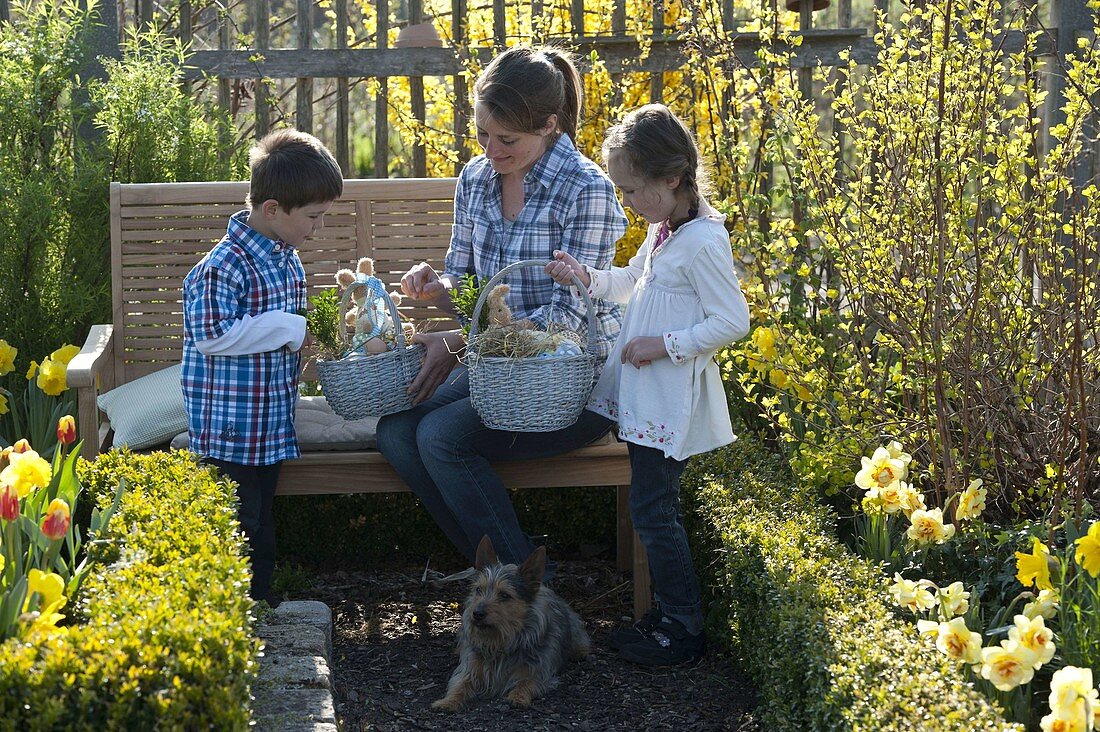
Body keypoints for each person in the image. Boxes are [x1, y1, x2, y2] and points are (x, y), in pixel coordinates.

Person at [376, 45, 628, 576]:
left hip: (571, 386)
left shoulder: (587, 190)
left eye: (507, 139)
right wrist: (434, 284)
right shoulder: (475, 179)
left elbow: (568, 320)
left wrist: (463, 344)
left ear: (551, 126)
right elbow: (466, 281)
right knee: (395, 431)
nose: (491, 149)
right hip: (495, 372)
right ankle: (495, 570)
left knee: (440, 438)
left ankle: (523, 587)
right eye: (483, 134)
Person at [546, 104, 751, 665]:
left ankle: (683, 627)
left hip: (668, 401)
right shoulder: (664, 232)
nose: (628, 202)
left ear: (673, 178)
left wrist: (664, 344)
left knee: (655, 511)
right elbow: (632, 283)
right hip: (644, 398)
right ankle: (666, 614)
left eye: (634, 189)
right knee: (650, 509)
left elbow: (733, 321)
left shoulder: (704, 241)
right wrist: (585, 276)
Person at [181, 129, 343, 605]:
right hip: (230, 428)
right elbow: (211, 335)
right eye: (313, 217)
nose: (317, 228)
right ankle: (238, 611)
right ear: (272, 209)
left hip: (267, 424)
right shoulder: (223, 266)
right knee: (239, 523)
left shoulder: (285, 257)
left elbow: (288, 329)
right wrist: (291, 329)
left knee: (261, 521)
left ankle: (262, 607)